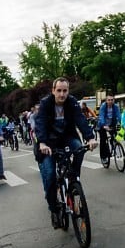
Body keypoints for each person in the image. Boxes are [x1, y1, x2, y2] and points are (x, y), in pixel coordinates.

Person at [35, 77, 97, 224]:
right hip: (48, 143)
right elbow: (40, 123)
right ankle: (54, 209)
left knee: (79, 148)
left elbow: (80, 119)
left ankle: (74, 178)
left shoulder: (72, 102)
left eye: (65, 91)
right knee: (50, 175)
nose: (62, 94)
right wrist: (42, 143)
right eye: (59, 91)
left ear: (68, 91)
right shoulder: (45, 104)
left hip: (67, 138)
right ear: (53, 91)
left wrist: (90, 138)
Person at [96, 94, 121, 165]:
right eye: (109, 100)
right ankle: (103, 157)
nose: (110, 101)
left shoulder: (115, 107)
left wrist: (123, 124)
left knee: (115, 138)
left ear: (114, 100)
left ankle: (114, 146)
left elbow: (119, 116)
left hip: (112, 124)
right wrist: (104, 125)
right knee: (103, 140)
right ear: (106, 101)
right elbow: (101, 116)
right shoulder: (103, 106)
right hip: (102, 125)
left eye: (112, 100)